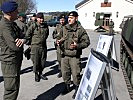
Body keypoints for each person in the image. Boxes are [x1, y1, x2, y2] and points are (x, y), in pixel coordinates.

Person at [58, 11, 90, 99]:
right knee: (65, 73)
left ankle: (77, 89)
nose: (69, 19)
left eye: (71, 18)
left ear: (76, 18)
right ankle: (67, 86)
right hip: (64, 55)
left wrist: (78, 46)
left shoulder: (80, 29)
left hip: (74, 57)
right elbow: (58, 36)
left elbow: (87, 42)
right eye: (68, 18)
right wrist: (58, 41)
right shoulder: (64, 28)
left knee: (76, 74)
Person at [0, 1, 24, 100]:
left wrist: (22, 39)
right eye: (16, 11)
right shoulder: (5, 26)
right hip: (9, 62)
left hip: (14, 60)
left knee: (14, 88)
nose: (18, 13)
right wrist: (20, 41)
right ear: (10, 13)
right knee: (11, 90)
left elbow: (24, 35)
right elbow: (15, 46)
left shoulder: (12, 24)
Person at [25, 12, 49, 82]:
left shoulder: (45, 26)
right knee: (36, 62)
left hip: (43, 46)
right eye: (39, 18)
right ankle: (36, 74)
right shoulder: (33, 26)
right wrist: (30, 44)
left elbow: (47, 34)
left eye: (42, 18)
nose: (41, 20)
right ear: (37, 18)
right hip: (35, 47)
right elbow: (27, 35)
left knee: (43, 61)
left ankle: (41, 73)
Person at [52, 14, 67, 78]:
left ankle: (65, 72)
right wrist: (57, 35)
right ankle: (61, 71)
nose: (62, 21)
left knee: (65, 60)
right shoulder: (57, 26)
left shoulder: (67, 26)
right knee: (59, 59)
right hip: (58, 46)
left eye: (63, 20)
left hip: (65, 46)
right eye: (61, 20)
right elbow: (53, 35)